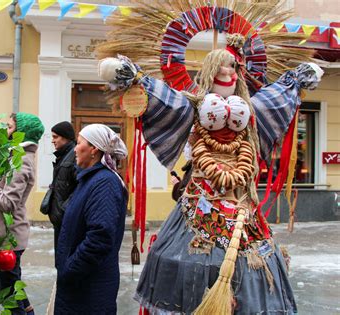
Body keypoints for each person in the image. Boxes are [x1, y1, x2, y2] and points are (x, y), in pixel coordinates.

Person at [99, 42, 322, 313]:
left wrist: (296, 80)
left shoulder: (250, 108)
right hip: (201, 199)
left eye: (234, 65)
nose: (232, 70)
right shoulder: (193, 106)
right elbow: (167, 99)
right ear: (211, 68)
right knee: (187, 260)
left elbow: (274, 98)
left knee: (252, 264)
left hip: (241, 202)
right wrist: (135, 78)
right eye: (225, 64)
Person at [54, 124, 128, 314]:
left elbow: (100, 237)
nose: (75, 149)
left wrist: (70, 270)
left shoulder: (104, 183)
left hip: (89, 287)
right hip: (80, 285)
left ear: (94, 149)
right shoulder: (90, 179)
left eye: (79, 143)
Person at [0, 112, 44, 315]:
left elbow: (8, 203)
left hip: (8, 237)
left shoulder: (21, 161)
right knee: (13, 286)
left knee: (8, 296)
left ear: (21, 133)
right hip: (6, 234)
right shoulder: (15, 156)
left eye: (10, 127)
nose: (5, 130)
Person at [42, 121, 78, 255]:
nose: (52, 141)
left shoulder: (74, 157)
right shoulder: (64, 156)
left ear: (66, 137)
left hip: (67, 220)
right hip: (61, 220)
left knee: (65, 260)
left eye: (55, 137)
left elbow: (79, 188)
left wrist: (64, 209)